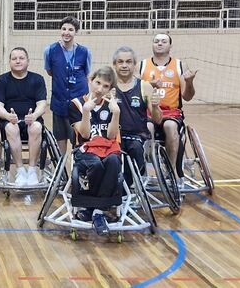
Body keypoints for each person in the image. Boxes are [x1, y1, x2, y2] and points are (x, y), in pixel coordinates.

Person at [68, 67, 121, 236]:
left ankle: (95, 210)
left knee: (114, 161)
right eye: (97, 83)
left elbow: (112, 136)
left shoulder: (112, 106)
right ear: (90, 81)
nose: (99, 89)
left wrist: (116, 114)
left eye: (105, 86)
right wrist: (86, 111)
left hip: (106, 150)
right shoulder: (76, 103)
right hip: (85, 150)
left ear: (110, 89)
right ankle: (97, 208)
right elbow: (84, 134)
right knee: (96, 164)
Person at [139, 34, 198, 183]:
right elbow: (135, 93)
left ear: (170, 46)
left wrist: (189, 82)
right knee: (147, 127)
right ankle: (147, 167)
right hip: (148, 112)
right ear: (152, 45)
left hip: (172, 112)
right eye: (156, 41)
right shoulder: (142, 65)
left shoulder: (180, 65)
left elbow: (187, 97)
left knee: (171, 126)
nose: (160, 44)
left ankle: (171, 170)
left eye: (164, 41)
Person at [0, 47, 48, 186]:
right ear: (9, 62)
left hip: (31, 120)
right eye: (14, 58)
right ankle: (20, 170)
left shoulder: (37, 79)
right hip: (10, 121)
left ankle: (32, 170)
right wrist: (7, 116)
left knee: (35, 127)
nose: (18, 61)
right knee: (11, 128)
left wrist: (34, 116)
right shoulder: (2, 80)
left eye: (21, 58)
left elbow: (42, 104)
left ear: (28, 61)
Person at [113, 47, 162, 185]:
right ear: (114, 65)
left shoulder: (145, 87)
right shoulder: (108, 87)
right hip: (112, 137)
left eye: (128, 62)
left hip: (136, 137)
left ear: (134, 65)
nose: (124, 65)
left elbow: (158, 119)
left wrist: (156, 106)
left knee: (134, 149)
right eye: (120, 62)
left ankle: (127, 187)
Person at [44, 16, 92, 154]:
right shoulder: (50, 50)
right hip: (59, 101)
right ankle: (62, 171)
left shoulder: (85, 52)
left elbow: (86, 73)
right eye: (64, 29)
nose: (66, 32)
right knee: (60, 138)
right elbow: (50, 71)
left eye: (70, 29)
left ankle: (77, 171)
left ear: (76, 32)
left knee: (78, 138)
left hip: (78, 103)